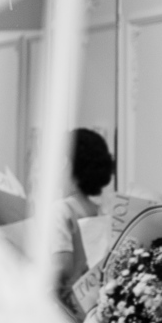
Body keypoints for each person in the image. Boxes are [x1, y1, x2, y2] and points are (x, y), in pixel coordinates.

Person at [55, 126, 115, 298]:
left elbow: (61, 267)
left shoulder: (61, 210)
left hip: (67, 304)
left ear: (67, 163)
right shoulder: (103, 211)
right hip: (95, 302)